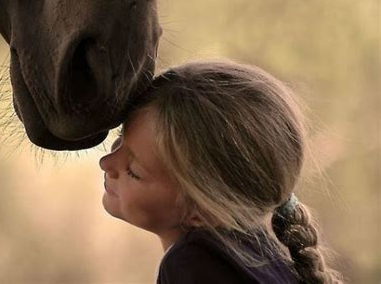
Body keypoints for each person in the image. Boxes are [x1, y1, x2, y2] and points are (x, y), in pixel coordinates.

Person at [99, 60, 342, 283]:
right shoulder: (262, 256)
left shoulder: (192, 265)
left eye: (133, 171)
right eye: (120, 139)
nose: (106, 162)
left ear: (201, 212)